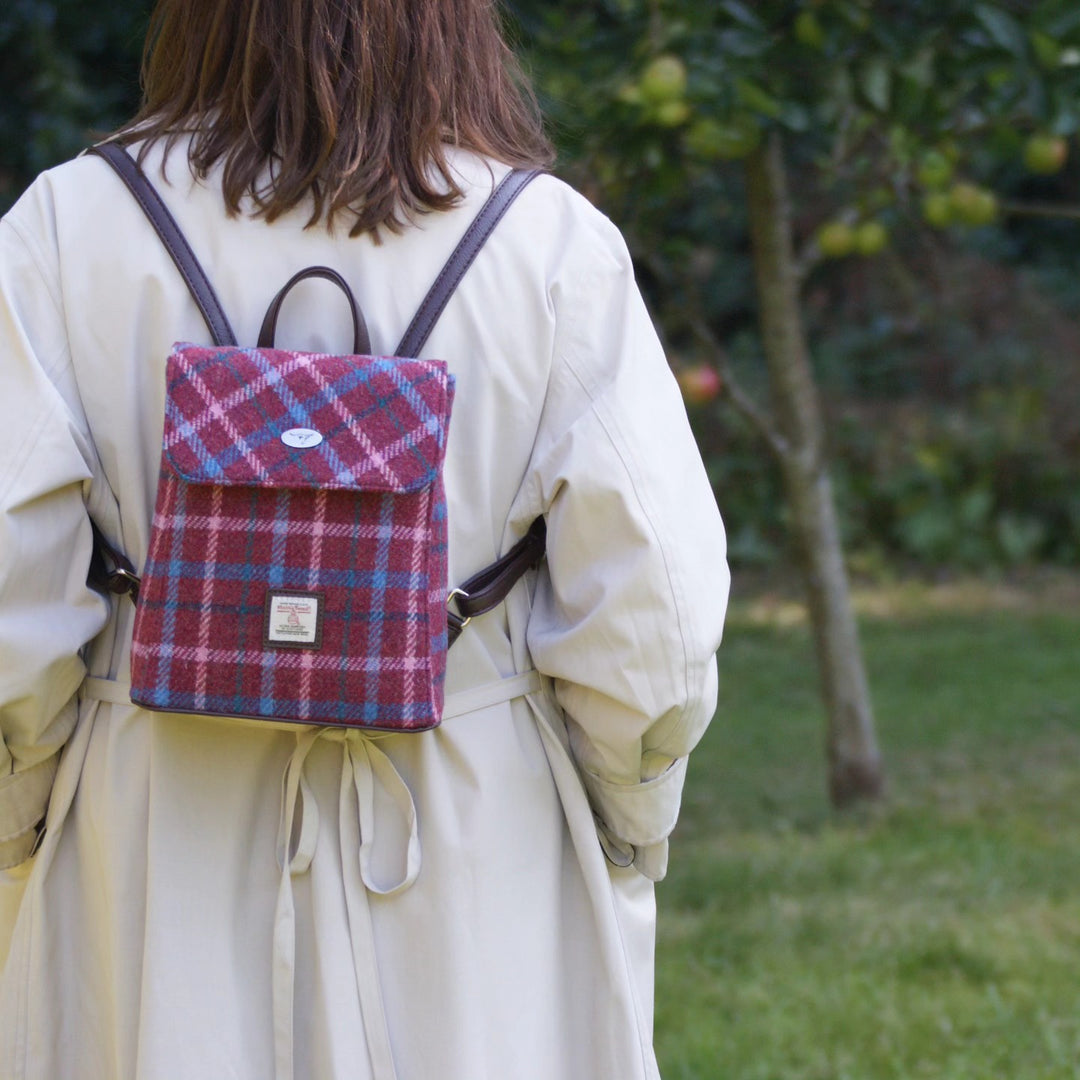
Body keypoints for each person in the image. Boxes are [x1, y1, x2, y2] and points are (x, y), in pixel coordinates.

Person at [0, 1, 729, 1077]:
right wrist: (629, 816)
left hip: (153, 822)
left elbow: (9, 590)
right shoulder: (547, 244)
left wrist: (22, 820)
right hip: (471, 825)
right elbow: (653, 610)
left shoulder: (67, 229)